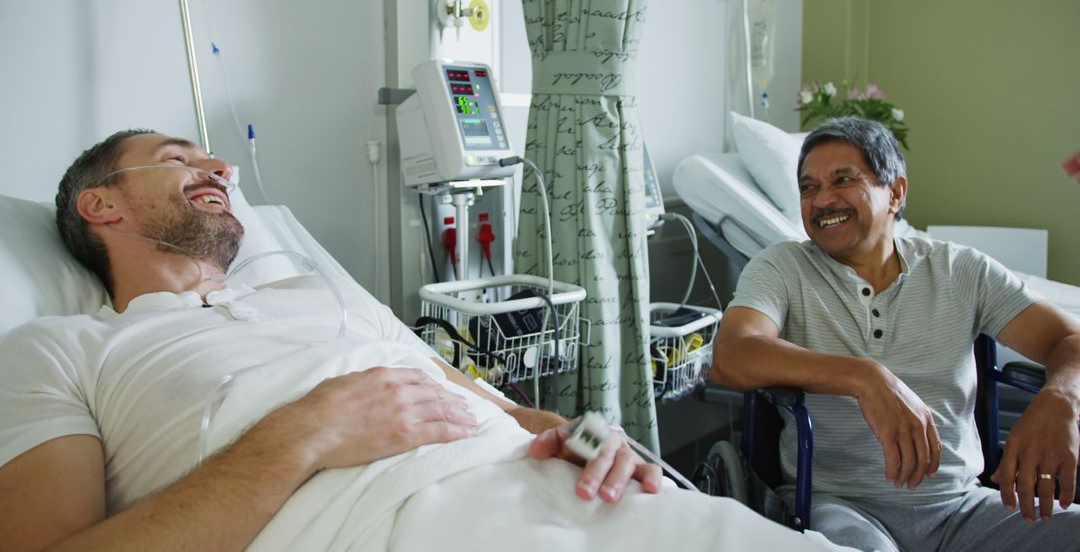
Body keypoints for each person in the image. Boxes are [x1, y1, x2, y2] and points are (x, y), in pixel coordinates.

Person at [0, 130, 849, 551]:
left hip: (587, 501)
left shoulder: (314, 290)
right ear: (101, 206)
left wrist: (592, 439)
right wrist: (304, 435)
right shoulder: (62, 349)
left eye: (219, 163)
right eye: (180, 157)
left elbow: (497, 404)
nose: (220, 171)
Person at [712, 117, 1080, 552]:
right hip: (839, 507)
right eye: (808, 188)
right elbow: (732, 354)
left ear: (896, 193)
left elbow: (1067, 341)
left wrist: (1061, 399)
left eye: (842, 180)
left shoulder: (961, 270)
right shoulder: (782, 268)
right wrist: (866, 377)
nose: (822, 200)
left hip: (961, 509)